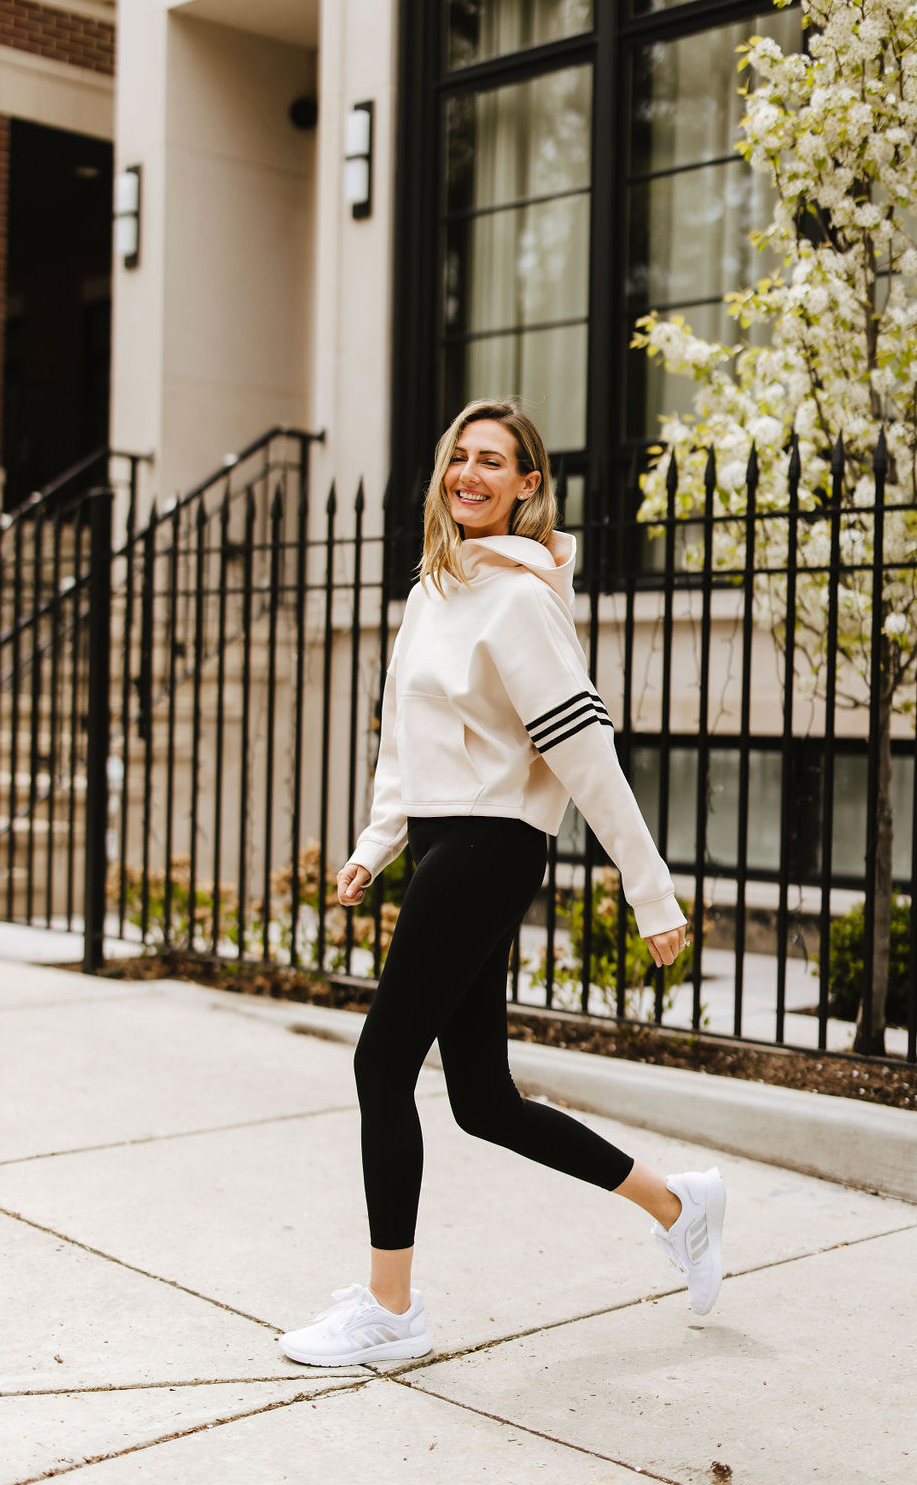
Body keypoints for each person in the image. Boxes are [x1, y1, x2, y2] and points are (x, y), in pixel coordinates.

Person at [279, 400, 725, 1369]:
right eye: (459, 458)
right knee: (482, 1096)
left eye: (494, 462)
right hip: (442, 846)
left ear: (528, 485)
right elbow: (403, 738)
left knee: (379, 1062)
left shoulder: (524, 599)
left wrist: (650, 891)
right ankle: (678, 1202)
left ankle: (393, 1309)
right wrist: (375, 839)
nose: (470, 474)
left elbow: (586, 756)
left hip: (490, 846)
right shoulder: (431, 590)